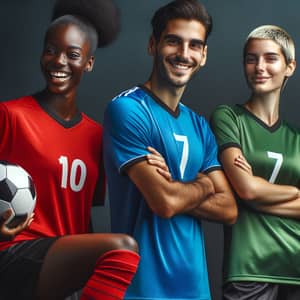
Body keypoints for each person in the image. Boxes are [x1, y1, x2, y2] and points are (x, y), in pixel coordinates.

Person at [0, 1, 141, 299]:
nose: (58, 61)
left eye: (72, 54)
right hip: (12, 252)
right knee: (122, 249)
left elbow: (81, 217)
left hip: (57, 268)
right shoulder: (11, 116)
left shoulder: (96, 137)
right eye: (51, 50)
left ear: (88, 62)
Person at [103, 0, 237, 299]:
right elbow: (163, 203)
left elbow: (228, 208)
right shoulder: (128, 109)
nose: (183, 54)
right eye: (173, 41)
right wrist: (203, 184)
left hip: (195, 289)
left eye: (194, 45)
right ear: (153, 45)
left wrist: (177, 188)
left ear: (203, 55)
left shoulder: (199, 125)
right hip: (143, 288)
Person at [210, 25, 300, 299]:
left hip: (295, 265)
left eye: (270, 58)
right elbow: (246, 189)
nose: (259, 66)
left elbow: (250, 192)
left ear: (289, 67)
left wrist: (257, 193)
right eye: (251, 58)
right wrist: (295, 192)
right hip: (248, 267)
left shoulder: (295, 139)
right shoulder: (229, 118)